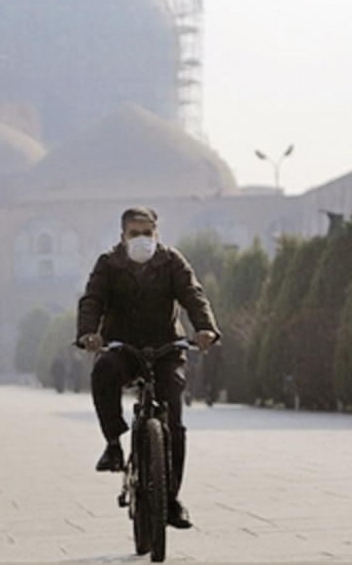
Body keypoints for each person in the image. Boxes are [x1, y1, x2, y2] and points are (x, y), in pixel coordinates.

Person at [75, 206, 220, 530]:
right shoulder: (108, 264)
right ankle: (113, 444)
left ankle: (171, 500)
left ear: (156, 233)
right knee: (103, 371)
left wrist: (205, 329)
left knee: (173, 419)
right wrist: (88, 333)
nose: (141, 239)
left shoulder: (171, 262)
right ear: (123, 236)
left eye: (147, 233)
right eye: (134, 234)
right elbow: (92, 300)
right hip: (123, 347)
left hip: (166, 348)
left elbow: (193, 296)